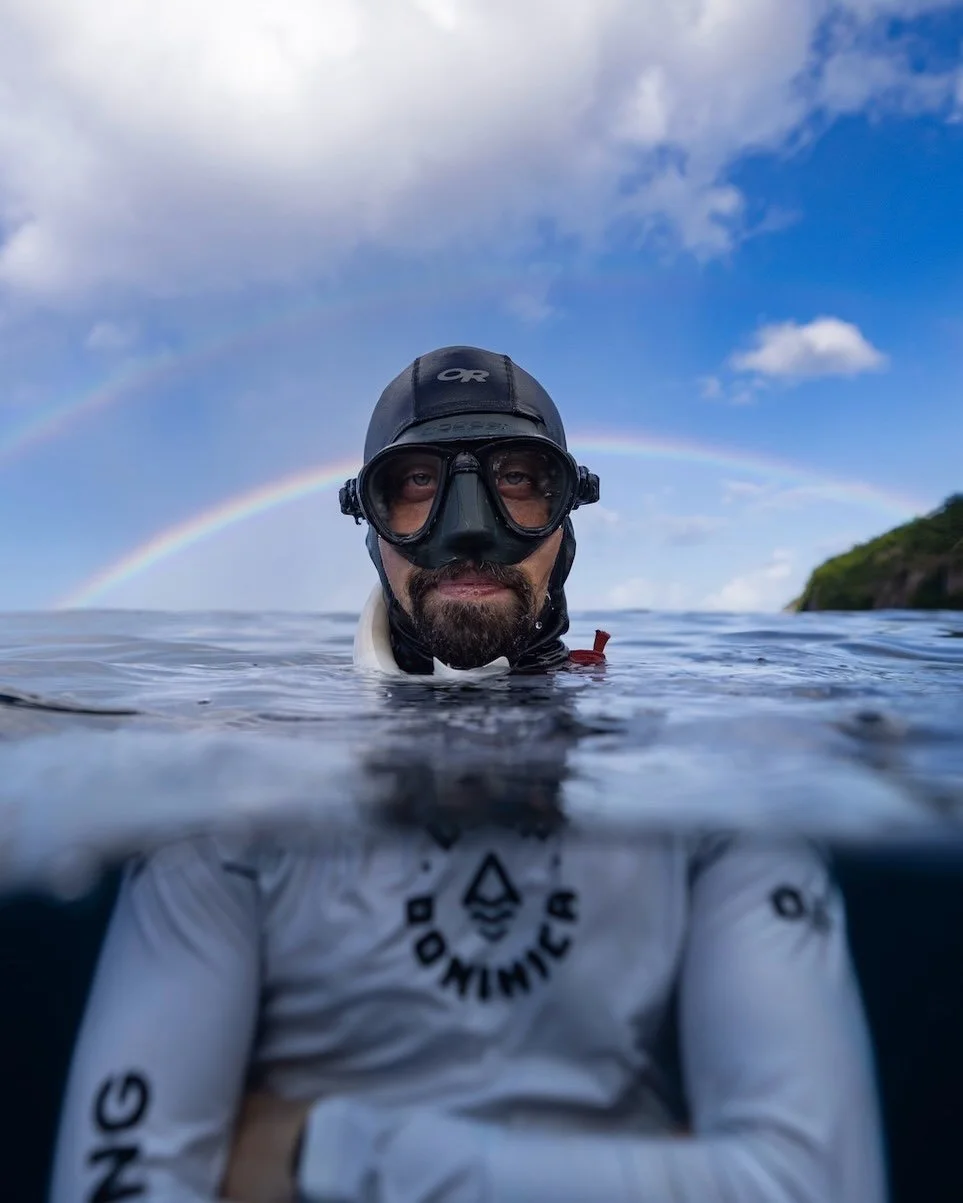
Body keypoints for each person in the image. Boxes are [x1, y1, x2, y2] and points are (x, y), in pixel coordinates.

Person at [50, 346, 887, 1203]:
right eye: (413, 483)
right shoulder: (226, 796)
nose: (470, 529)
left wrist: (318, 1153)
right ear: (369, 522)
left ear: (568, 514)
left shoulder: (728, 777)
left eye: (520, 478)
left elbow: (815, 1185)